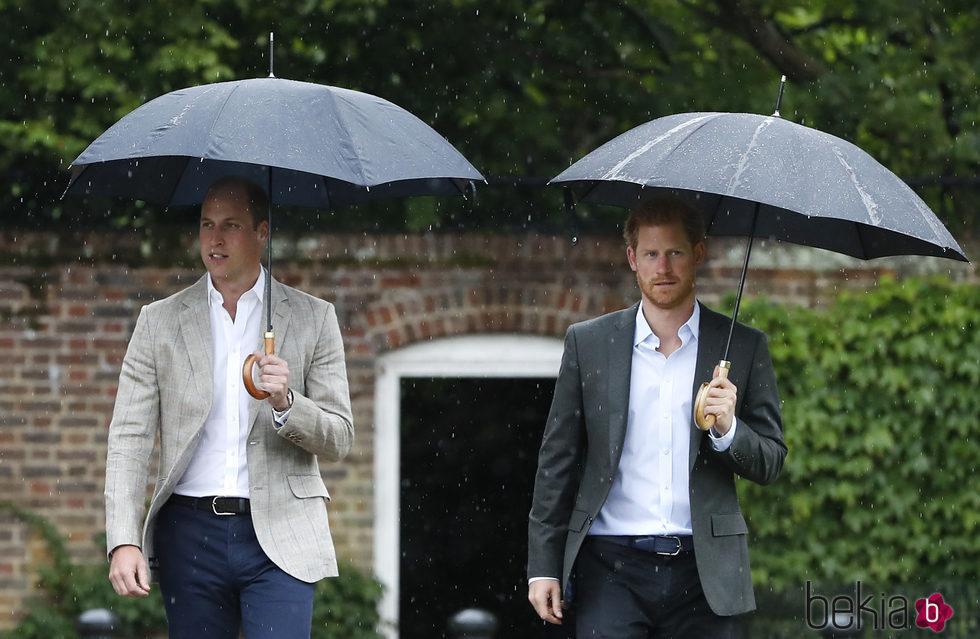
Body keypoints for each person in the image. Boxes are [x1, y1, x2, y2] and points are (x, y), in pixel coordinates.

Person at [527, 195, 787, 638]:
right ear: (632, 258)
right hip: (610, 567)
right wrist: (543, 567)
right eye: (651, 254)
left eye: (675, 253)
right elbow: (558, 461)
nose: (662, 267)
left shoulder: (741, 346)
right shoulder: (588, 344)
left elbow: (771, 460)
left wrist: (727, 430)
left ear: (698, 254)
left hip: (705, 572)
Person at [104, 176, 354, 638]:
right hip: (189, 535)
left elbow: (340, 437)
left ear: (262, 233)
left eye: (231, 225)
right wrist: (123, 538)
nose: (214, 239)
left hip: (282, 531)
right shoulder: (158, 322)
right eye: (206, 224)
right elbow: (128, 440)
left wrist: (288, 402)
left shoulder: (313, 318)